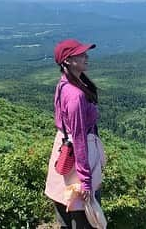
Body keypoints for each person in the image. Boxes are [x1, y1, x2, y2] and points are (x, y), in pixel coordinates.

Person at [45, 39, 106, 229]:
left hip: (64, 151)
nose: (86, 57)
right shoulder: (76, 95)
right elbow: (79, 138)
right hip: (80, 154)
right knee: (85, 213)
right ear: (68, 60)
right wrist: (85, 181)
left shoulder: (64, 84)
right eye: (81, 54)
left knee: (66, 206)